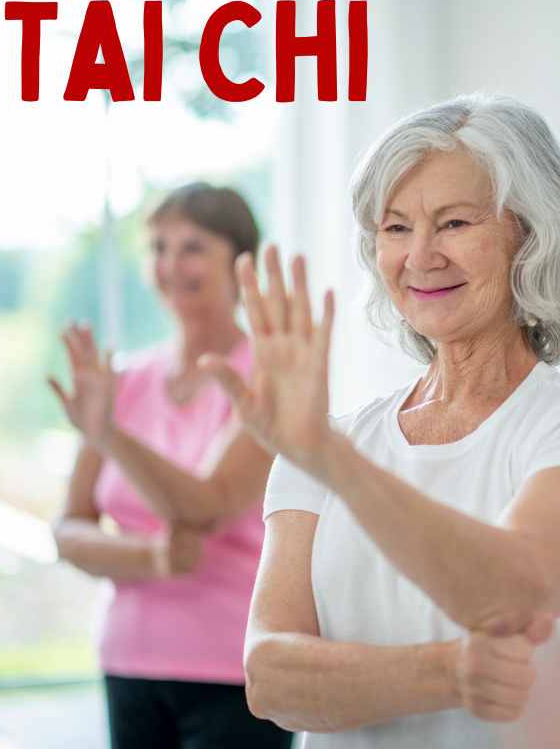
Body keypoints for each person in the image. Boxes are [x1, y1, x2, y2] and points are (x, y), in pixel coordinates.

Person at [197, 94, 560, 748]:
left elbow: (514, 590)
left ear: (530, 232)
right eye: (394, 228)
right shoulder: (330, 439)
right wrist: (447, 673)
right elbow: (272, 679)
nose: (419, 256)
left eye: (453, 223)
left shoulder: (546, 419)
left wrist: (331, 460)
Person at [51, 183, 293, 749]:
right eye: (158, 246)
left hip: (236, 668)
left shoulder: (269, 376)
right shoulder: (124, 380)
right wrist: (152, 557)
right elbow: (67, 530)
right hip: (128, 660)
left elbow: (205, 504)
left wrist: (107, 433)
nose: (170, 263)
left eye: (192, 247)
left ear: (240, 263)